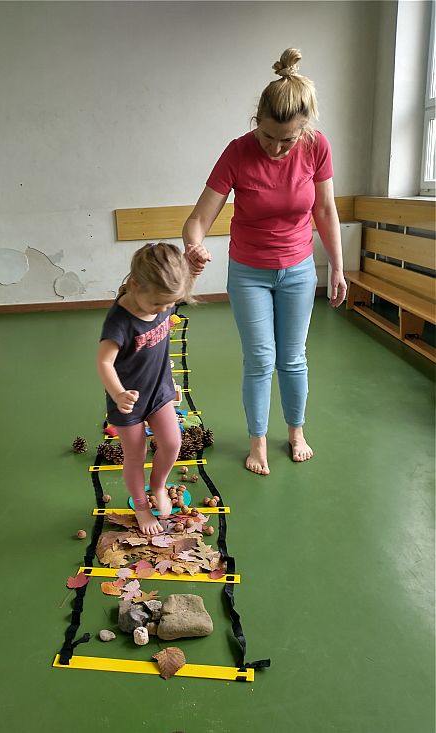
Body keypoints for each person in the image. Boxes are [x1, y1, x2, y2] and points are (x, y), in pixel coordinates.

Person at [182, 48, 347, 476]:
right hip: (249, 272)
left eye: (286, 140)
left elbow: (325, 210)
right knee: (259, 359)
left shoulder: (317, 148)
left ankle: (295, 432)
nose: (275, 148)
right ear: (256, 120)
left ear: (304, 130)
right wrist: (194, 245)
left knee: (292, 358)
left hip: (298, 269)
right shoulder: (237, 152)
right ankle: (257, 440)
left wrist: (337, 267)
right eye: (268, 136)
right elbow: (199, 218)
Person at [96, 242, 194, 534]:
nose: (164, 310)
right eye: (158, 305)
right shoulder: (119, 321)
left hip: (159, 391)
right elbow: (104, 362)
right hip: (128, 401)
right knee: (135, 455)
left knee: (173, 443)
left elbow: (179, 285)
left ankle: (158, 486)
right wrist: (118, 394)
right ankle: (141, 506)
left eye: (169, 305)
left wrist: (195, 266)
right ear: (136, 285)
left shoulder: (161, 295)